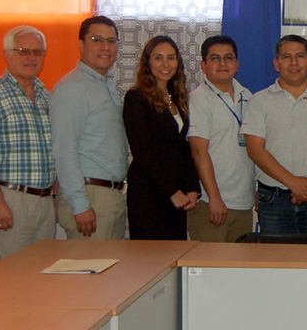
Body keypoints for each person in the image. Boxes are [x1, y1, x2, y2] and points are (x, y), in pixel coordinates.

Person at [243, 35, 307, 235]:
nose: (293, 63)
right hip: (273, 199)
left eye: (300, 56)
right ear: (276, 63)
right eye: (286, 57)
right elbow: (255, 150)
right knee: (277, 263)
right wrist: (293, 183)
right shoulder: (259, 101)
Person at [0, 26, 56, 267]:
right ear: (6, 54)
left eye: (38, 52)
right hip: (10, 200)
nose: (31, 57)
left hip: (44, 202)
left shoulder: (46, 96)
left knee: (41, 277)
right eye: (23, 51)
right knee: (8, 279)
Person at [50, 16, 129, 240]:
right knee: (90, 271)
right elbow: (64, 150)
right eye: (97, 39)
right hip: (89, 197)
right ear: (81, 44)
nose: (105, 47)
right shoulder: (72, 88)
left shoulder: (106, 85)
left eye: (112, 41)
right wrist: (80, 204)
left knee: (110, 272)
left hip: (109, 197)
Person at [123, 36, 200, 239]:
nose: (165, 64)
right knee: (150, 259)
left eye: (171, 58)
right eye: (158, 58)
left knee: (174, 255)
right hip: (149, 191)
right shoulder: (136, 98)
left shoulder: (178, 97)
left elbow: (184, 147)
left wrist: (193, 188)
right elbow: (142, 151)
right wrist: (171, 191)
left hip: (178, 192)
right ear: (147, 62)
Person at [187, 35, 256, 242]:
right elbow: (199, 152)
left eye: (228, 58)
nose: (223, 63)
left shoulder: (248, 96)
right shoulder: (199, 99)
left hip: (244, 202)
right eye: (215, 58)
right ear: (203, 65)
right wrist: (215, 198)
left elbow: (256, 148)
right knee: (209, 269)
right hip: (211, 204)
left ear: (237, 64)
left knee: (239, 271)